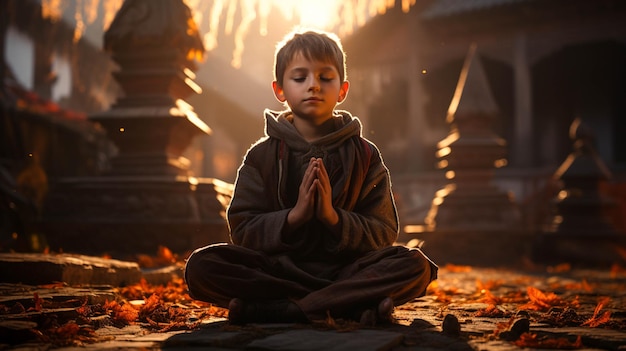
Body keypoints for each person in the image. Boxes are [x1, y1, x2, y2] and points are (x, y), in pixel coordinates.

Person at [185, 28, 437, 325]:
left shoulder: (365, 155)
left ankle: (285, 310)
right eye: (300, 77)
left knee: (415, 265)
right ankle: (346, 304)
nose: (313, 86)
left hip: (347, 270)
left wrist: (333, 218)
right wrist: (294, 217)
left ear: (342, 90)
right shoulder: (261, 157)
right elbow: (243, 230)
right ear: (280, 90)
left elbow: (383, 232)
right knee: (202, 266)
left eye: (325, 78)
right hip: (277, 271)